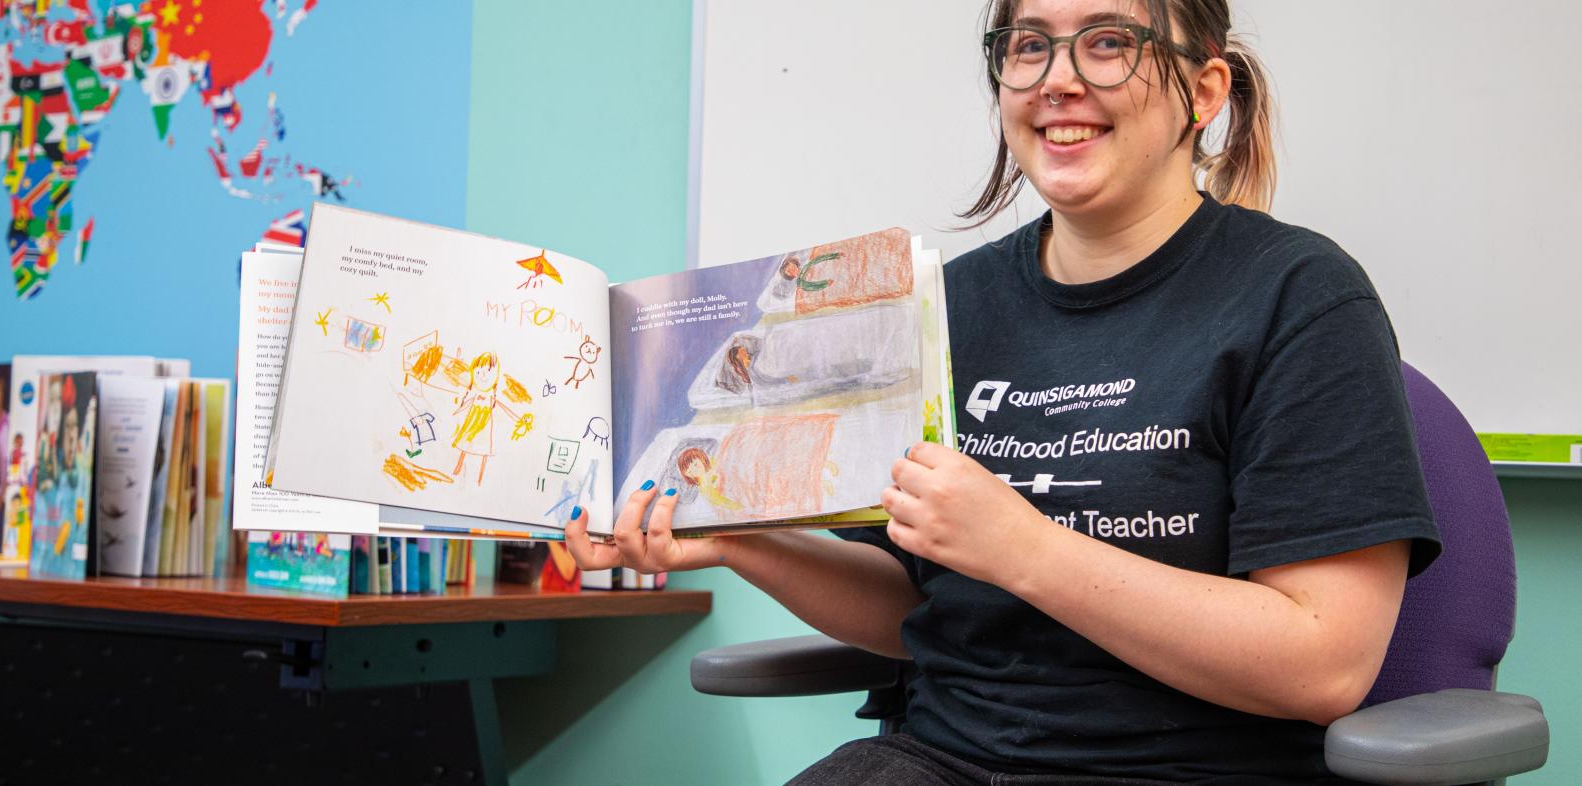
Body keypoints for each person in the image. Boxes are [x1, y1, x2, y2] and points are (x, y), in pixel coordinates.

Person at [565, 0, 1440, 782]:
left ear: (1204, 90)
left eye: (1108, 42)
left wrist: (1024, 547)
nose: (1058, 81)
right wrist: (738, 542)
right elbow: (912, 606)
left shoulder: (1301, 297)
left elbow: (1321, 665)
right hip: (938, 760)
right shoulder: (945, 305)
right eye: (1028, 46)